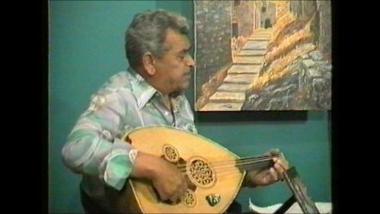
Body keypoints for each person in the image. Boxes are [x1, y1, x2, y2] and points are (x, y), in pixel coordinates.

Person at [61, 10, 289, 214]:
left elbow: (188, 170)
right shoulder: (119, 95)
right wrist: (150, 166)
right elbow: (76, 148)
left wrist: (245, 177)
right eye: (182, 56)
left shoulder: (178, 102)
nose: (192, 63)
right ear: (150, 62)